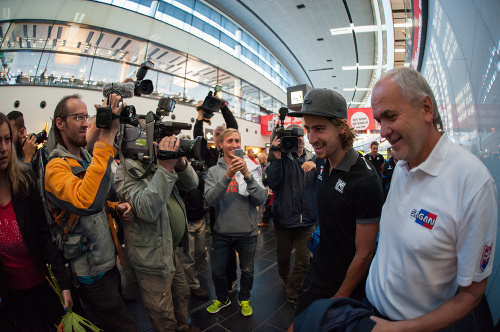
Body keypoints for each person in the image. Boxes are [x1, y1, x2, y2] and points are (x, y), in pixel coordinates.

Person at [365, 67, 498, 331]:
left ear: (426, 108)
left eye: (390, 116)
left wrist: (399, 329)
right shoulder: (402, 165)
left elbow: (471, 295)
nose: (382, 131)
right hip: (368, 311)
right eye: (379, 120)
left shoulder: (472, 183)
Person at [44, 94, 138, 332]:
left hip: (107, 261)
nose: (86, 123)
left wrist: (115, 207)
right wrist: (107, 136)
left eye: (87, 116)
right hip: (92, 274)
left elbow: (96, 198)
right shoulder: (56, 168)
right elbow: (86, 203)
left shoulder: (84, 157)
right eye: (79, 117)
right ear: (60, 124)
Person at [287, 89, 383, 316]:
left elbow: (365, 253)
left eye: (319, 129)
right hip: (319, 266)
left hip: (346, 282)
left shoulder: (365, 181)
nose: (311, 138)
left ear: (341, 128)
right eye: (308, 129)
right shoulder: (323, 162)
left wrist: (340, 297)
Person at [115, 129, 200, 332]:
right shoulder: (127, 169)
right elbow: (147, 210)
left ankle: (183, 328)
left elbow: (193, 184)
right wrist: (165, 168)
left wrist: (180, 164)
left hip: (171, 249)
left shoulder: (156, 164)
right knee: (162, 313)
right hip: (151, 257)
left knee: (181, 295)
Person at [0, 113, 73, 331]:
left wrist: (64, 284)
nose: (3, 148)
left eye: (6, 139)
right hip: (15, 295)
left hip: (45, 284)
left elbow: (44, 235)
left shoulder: (24, 181)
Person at [205, 128, 267, 316]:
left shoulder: (252, 168)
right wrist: (228, 176)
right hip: (222, 232)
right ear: (221, 144)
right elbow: (209, 200)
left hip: (247, 232)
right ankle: (222, 299)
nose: (234, 145)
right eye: (230, 141)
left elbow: (262, 199)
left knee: (247, 271)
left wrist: (247, 175)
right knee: (217, 271)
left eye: (237, 141)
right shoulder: (213, 171)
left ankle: (245, 299)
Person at [265, 124, 317, 308]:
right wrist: (276, 158)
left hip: (307, 221)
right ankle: (287, 280)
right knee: (283, 259)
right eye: (295, 137)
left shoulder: (315, 159)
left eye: (302, 135)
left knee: (304, 262)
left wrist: (317, 169)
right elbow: (272, 182)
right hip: (284, 221)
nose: (300, 139)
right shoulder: (281, 158)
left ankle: (292, 290)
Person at [193, 100, 239, 292]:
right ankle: (224, 281)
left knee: (234, 245)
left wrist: (223, 108)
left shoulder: (235, 153)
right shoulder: (210, 156)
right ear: (216, 140)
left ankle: (232, 278)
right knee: (220, 246)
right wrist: (200, 119)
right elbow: (197, 138)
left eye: (223, 135)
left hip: (235, 205)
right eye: (218, 136)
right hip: (215, 206)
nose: (221, 138)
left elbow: (233, 128)